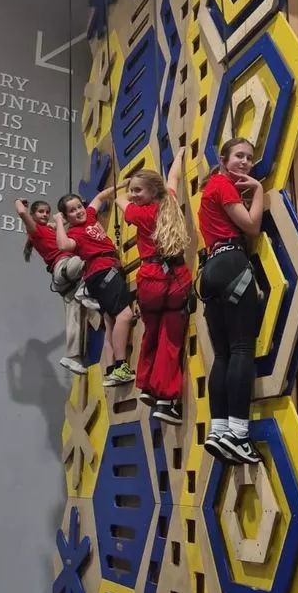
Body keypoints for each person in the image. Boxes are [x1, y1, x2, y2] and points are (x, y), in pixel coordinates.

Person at [197, 137, 264, 465]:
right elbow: (251, 226)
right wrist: (259, 191)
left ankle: (219, 429)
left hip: (210, 270)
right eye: (240, 156)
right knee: (241, 348)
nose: (246, 162)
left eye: (250, 158)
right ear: (224, 159)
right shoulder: (223, 185)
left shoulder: (211, 188)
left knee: (223, 354)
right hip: (232, 263)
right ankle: (238, 434)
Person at [113, 149, 192, 424]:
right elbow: (174, 177)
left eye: (139, 190)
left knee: (151, 334)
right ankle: (165, 398)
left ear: (151, 192)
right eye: (133, 190)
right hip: (177, 277)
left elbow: (119, 200)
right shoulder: (167, 202)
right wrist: (179, 156)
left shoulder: (141, 214)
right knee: (170, 340)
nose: (133, 195)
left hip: (150, 279)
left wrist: (124, 188)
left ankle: (148, 385)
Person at [55, 187, 135, 387]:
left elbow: (99, 197)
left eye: (79, 207)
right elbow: (64, 246)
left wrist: (125, 183)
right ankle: (120, 366)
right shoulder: (74, 232)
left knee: (110, 322)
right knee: (125, 315)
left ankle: (110, 370)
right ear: (66, 216)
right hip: (102, 271)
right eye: (72, 211)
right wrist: (58, 222)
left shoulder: (90, 216)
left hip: (104, 272)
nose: (79, 211)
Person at [15, 198, 99, 376]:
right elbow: (21, 212)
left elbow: (68, 219)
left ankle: (72, 357)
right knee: (91, 252)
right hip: (63, 267)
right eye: (40, 212)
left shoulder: (49, 228)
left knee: (75, 315)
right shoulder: (35, 229)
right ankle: (85, 289)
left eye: (47, 211)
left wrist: (78, 205)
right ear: (33, 215)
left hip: (66, 278)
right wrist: (19, 201)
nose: (45, 215)